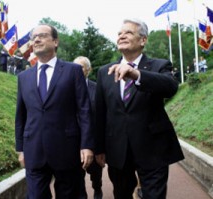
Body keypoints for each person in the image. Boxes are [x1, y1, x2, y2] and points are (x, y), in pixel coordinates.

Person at [95, 18, 184, 199]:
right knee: (121, 194)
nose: (121, 36)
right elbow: (100, 112)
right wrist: (98, 148)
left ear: (143, 40)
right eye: (119, 33)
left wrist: (136, 74)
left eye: (128, 32)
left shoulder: (159, 65)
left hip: (153, 149)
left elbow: (170, 86)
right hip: (118, 151)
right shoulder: (105, 72)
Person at [15, 24, 94, 199]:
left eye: (42, 35)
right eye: (34, 37)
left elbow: (84, 110)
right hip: (34, 150)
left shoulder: (73, 71)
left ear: (55, 41)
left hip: (67, 149)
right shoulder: (23, 77)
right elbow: (21, 116)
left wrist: (87, 145)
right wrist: (20, 148)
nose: (36, 40)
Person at [73, 56, 103, 199]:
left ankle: (97, 188)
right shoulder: (66, 88)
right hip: (73, 141)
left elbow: (102, 116)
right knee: (77, 176)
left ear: (88, 70)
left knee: (95, 173)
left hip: (93, 140)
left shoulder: (97, 89)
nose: (78, 71)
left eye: (81, 67)